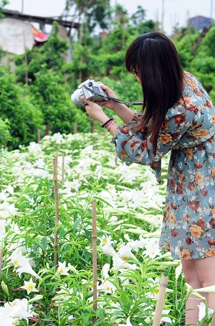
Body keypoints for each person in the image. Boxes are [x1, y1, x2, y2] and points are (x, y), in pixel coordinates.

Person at [83, 32, 215, 325]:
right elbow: (153, 127)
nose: (138, 79)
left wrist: (106, 123)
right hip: (191, 185)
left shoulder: (183, 108)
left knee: (209, 280)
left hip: (204, 190)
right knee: (192, 276)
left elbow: (145, 151)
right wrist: (115, 104)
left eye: (139, 72)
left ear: (154, 71)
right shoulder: (183, 80)